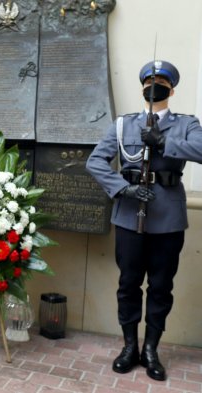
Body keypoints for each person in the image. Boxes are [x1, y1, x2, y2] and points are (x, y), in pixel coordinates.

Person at [86, 60, 202, 381]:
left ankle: (151, 349)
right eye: (150, 80)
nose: (155, 85)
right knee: (128, 284)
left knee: (161, 286)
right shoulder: (123, 125)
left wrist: (165, 142)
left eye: (162, 81)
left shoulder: (186, 124)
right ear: (142, 87)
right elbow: (95, 162)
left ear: (172, 88)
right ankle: (129, 347)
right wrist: (124, 189)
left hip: (168, 217)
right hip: (129, 216)